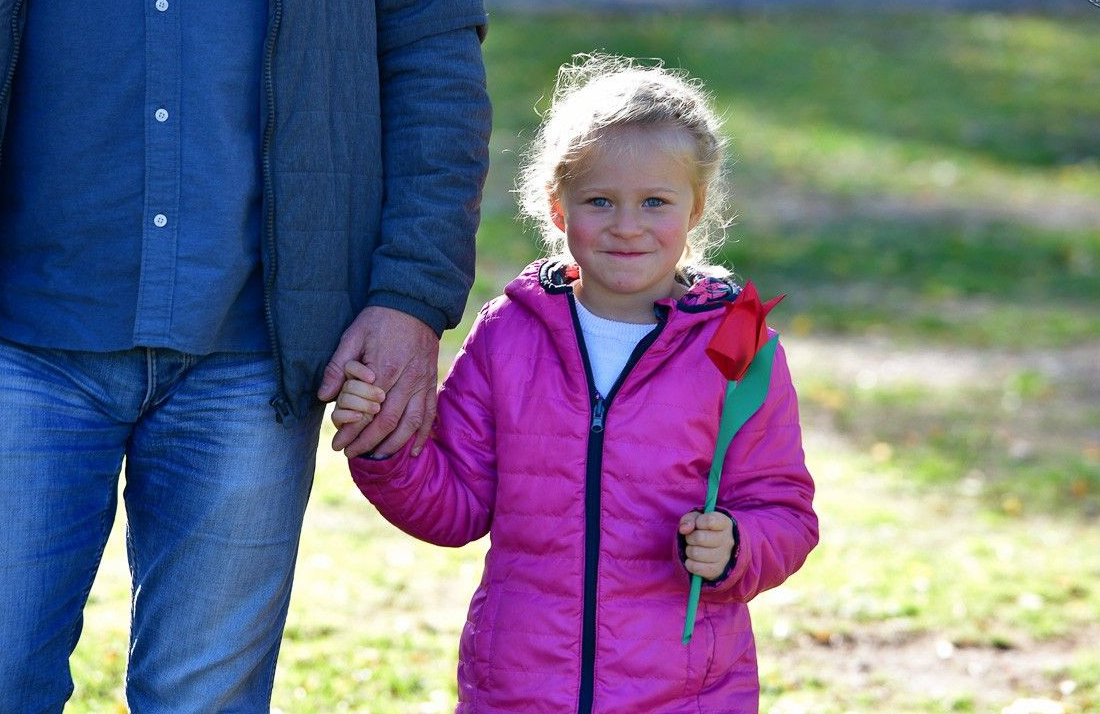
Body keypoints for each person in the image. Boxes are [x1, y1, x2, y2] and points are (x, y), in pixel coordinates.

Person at [0, 0, 490, 711]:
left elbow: (434, 56)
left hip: (255, 348)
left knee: (205, 701)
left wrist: (410, 295)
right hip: (19, 336)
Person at [338, 55, 818, 713]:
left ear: (695, 208)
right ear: (558, 209)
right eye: (600, 201)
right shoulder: (510, 333)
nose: (627, 225)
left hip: (685, 693)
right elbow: (453, 508)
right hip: (522, 686)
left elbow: (783, 508)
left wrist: (738, 545)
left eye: (655, 202)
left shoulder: (737, 343)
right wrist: (384, 445)